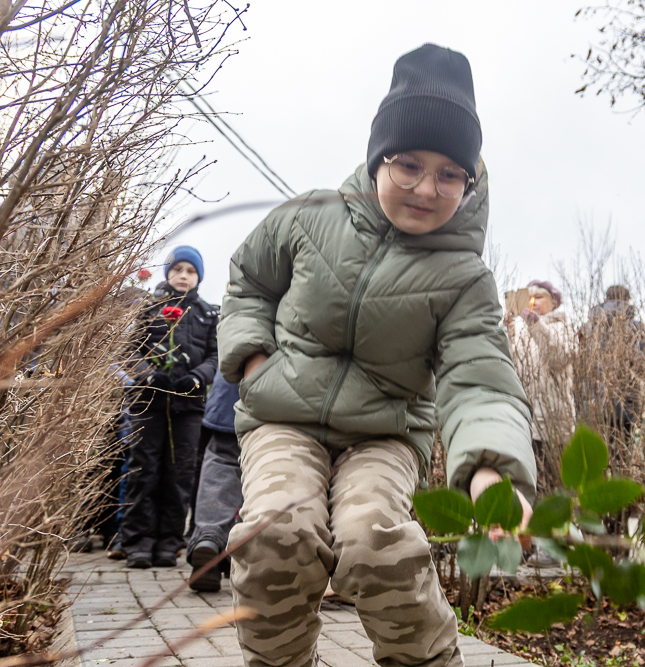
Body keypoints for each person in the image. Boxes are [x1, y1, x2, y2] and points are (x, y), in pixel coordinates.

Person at [218, 44, 536, 667]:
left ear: (469, 182)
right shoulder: (308, 217)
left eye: (450, 174)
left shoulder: (463, 278)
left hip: (384, 434)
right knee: (278, 534)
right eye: (409, 164)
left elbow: (480, 378)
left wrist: (490, 470)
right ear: (377, 159)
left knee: (374, 543)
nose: (426, 188)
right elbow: (248, 282)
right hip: (283, 418)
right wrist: (254, 360)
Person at [120, 246, 219, 569]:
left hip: (188, 406)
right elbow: (129, 352)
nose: (183, 276)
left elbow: (215, 357)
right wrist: (148, 374)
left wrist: (196, 378)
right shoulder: (149, 309)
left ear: (198, 277)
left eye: (191, 271)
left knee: (180, 473)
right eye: (178, 269)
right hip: (149, 401)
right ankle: (138, 542)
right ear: (167, 273)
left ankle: (169, 541)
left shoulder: (206, 314)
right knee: (143, 470)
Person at [506, 280, 575, 494]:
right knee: (529, 485)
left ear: (554, 302)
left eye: (540, 297)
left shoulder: (563, 326)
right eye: (529, 297)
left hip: (553, 425)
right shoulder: (522, 333)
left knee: (555, 486)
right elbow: (511, 369)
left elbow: (559, 357)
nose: (533, 302)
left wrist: (535, 324)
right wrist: (507, 333)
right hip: (526, 423)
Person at [185, 367, 241, 592]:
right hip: (278, 399)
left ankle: (209, 537)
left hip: (229, 392)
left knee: (222, 461)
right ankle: (249, 556)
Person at [576, 285, 645, 454]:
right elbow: (641, 366)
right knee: (621, 461)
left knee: (595, 462)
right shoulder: (636, 328)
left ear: (605, 300)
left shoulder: (586, 328)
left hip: (593, 404)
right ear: (628, 301)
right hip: (625, 405)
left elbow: (579, 366)